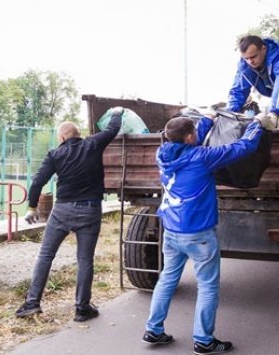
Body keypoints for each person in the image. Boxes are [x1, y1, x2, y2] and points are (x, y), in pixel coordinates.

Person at [141, 114, 266, 354]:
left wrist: (207, 121)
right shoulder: (202, 157)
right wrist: (256, 126)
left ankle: (153, 330)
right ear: (189, 137)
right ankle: (204, 341)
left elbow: (189, 141)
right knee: (208, 286)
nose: (197, 136)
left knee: (167, 279)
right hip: (198, 233)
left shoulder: (163, 154)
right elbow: (243, 147)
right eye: (195, 133)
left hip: (171, 229)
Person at [15, 107, 124, 322]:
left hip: (62, 211)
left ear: (62, 137)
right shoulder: (93, 144)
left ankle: (32, 303)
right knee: (85, 260)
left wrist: (32, 208)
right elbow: (113, 129)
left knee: (45, 255)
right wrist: (116, 112)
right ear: (76, 134)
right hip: (90, 210)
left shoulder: (55, 154)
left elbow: (37, 182)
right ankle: (82, 308)